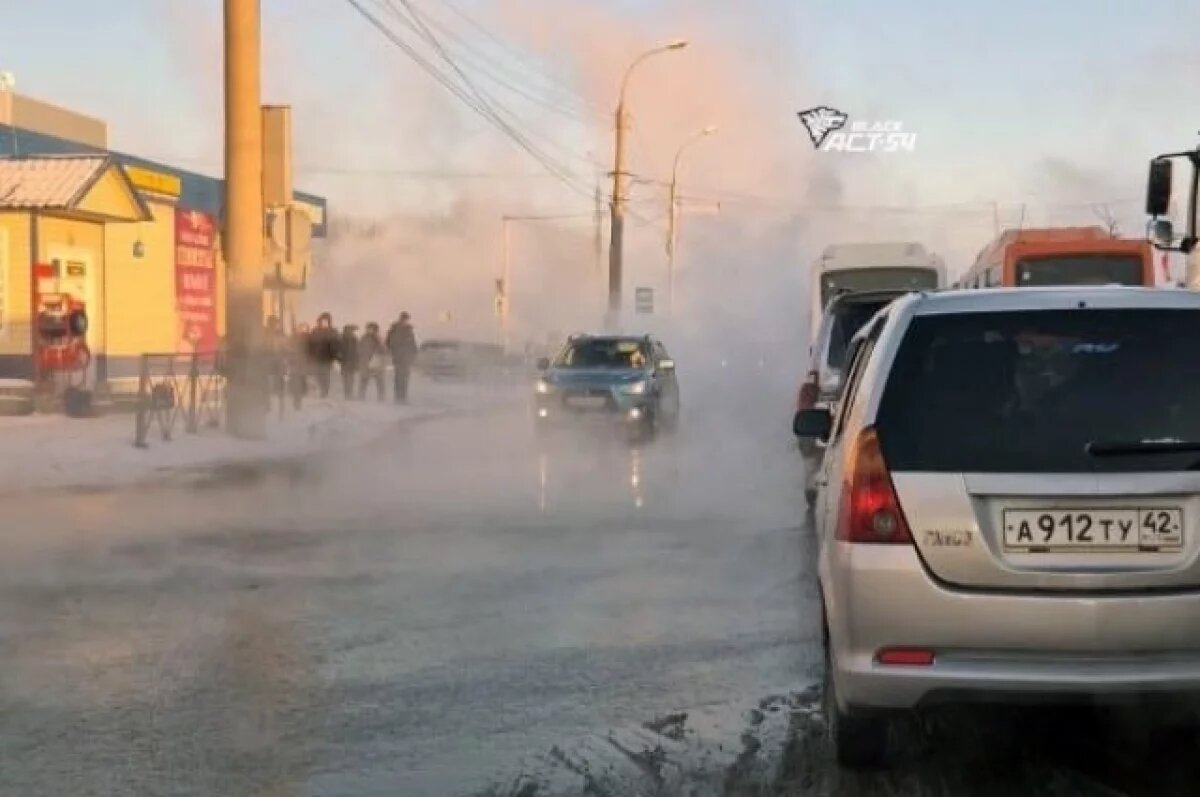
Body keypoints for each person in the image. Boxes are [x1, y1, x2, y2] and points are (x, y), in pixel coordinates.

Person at [386, 311, 418, 404]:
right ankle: (399, 397)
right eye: (404, 319)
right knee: (400, 378)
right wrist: (394, 350)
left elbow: (412, 343)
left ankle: (401, 397)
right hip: (400, 356)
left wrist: (414, 353)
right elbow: (388, 342)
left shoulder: (405, 329)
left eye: (406, 319)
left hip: (403, 357)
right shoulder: (396, 329)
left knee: (403, 378)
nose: (405, 321)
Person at [308, 312, 341, 399]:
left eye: (326, 321)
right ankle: (322, 388)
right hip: (317, 357)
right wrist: (310, 355)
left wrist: (336, 356)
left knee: (326, 374)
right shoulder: (315, 331)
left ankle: (325, 390)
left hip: (327, 357)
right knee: (318, 374)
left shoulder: (333, 331)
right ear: (320, 321)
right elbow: (310, 344)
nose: (324, 323)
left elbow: (337, 344)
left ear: (329, 322)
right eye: (323, 321)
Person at [358, 322, 387, 401]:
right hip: (366, 362)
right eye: (369, 328)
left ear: (375, 329)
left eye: (372, 329)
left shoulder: (378, 338)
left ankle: (381, 398)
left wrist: (379, 352)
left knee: (379, 381)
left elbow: (384, 350)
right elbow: (359, 349)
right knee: (364, 380)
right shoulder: (364, 338)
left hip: (376, 362)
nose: (370, 330)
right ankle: (361, 396)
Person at [288, 322, 311, 410]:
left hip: (300, 366)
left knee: (299, 383)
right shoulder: (293, 339)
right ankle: (297, 402)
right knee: (297, 384)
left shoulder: (306, 339)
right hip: (296, 366)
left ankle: (298, 401)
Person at [340, 324, 360, 399]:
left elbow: (357, 351)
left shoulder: (343, 338)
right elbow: (357, 351)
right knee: (349, 379)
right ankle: (348, 394)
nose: (352, 332)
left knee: (347, 379)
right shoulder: (352, 339)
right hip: (349, 362)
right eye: (352, 330)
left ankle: (347, 394)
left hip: (347, 362)